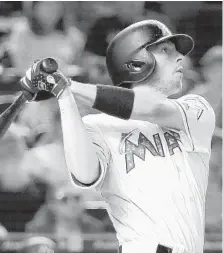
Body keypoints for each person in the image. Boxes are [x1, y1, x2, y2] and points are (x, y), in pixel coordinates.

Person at [20, 20, 215, 253]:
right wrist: (64, 97)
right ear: (135, 65)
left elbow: (151, 109)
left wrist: (68, 86)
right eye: (166, 51)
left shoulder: (196, 109)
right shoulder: (97, 125)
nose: (180, 59)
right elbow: (84, 175)